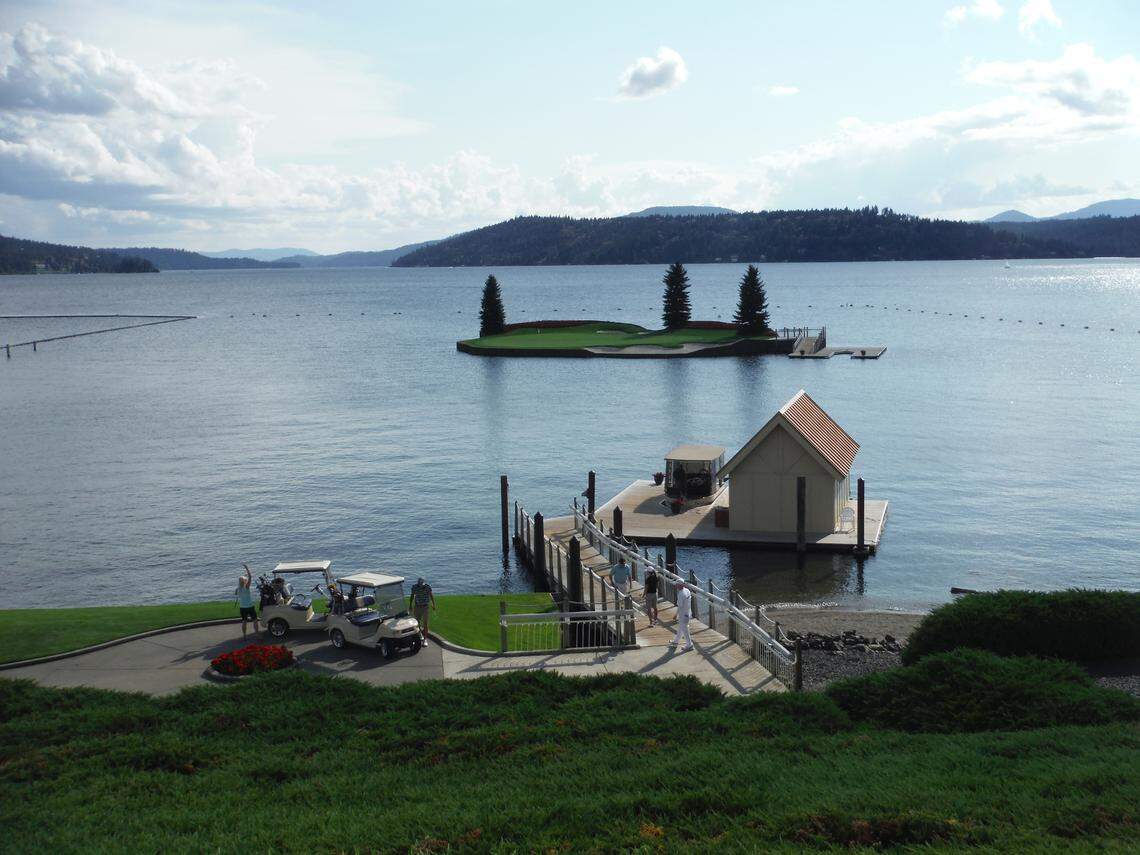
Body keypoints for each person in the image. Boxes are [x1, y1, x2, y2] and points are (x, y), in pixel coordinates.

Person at [235, 563, 261, 638]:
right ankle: (256, 634)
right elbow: (250, 576)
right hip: (250, 606)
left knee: (244, 621)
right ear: (245, 582)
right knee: (255, 620)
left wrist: (243, 578)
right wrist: (247, 568)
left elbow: (241, 584)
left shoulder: (237, 589)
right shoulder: (246, 587)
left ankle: (244, 635)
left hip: (242, 607)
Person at [409, 577, 436, 646]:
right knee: (417, 623)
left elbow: (431, 595)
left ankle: (425, 639)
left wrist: (433, 604)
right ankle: (420, 634)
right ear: (418, 583)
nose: (421, 586)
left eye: (422, 584)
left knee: (425, 624)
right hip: (417, 607)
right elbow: (412, 596)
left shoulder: (427, 587)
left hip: (425, 607)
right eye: (420, 584)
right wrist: (410, 605)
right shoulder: (414, 587)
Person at [670, 581, 693, 652]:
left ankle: (689, 644)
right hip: (688, 612)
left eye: (676, 585)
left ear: (679, 586)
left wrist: (675, 614)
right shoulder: (687, 590)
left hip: (683, 614)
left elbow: (680, 606)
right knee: (681, 627)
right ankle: (676, 641)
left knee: (685, 630)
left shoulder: (681, 594)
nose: (675, 586)